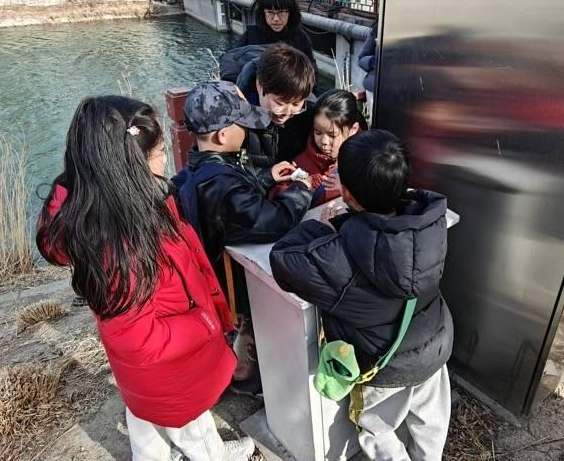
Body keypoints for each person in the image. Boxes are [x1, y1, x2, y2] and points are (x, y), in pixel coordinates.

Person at [36, 95, 255, 461]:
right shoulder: (125, 245)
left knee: (143, 412)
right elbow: (141, 339)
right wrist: (203, 321)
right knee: (193, 424)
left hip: (145, 372)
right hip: (173, 359)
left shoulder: (104, 212)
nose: (165, 160)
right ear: (129, 168)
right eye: (159, 153)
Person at [270, 130, 454, 460]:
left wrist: (324, 229)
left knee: (375, 428)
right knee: (431, 421)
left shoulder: (339, 256)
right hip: (434, 345)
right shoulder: (430, 222)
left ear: (347, 194)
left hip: (386, 364)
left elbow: (283, 259)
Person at [172, 80, 313, 394]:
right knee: (250, 327)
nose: (249, 131)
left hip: (207, 271)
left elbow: (231, 197)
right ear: (223, 135)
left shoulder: (195, 167)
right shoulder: (222, 185)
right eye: (243, 125)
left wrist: (264, 177)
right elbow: (273, 220)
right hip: (230, 283)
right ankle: (245, 380)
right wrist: (300, 192)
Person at [272, 89, 367, 207]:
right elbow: (277, 201)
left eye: (332, 135)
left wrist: (347, 189)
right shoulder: (299, 165)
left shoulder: (368, 160)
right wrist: (301, 189)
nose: (324, 142)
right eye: (318, 132)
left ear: (353, 129)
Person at [235, 44, 316, 169]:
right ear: (260, 86)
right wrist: (268, 176)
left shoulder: (311, 111)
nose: (287, 112)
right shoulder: (236, 115)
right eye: (280, 103)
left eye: (296, 104)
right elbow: (235, 163)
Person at [235, 0, 316, 67]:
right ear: (263, 12)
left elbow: (312, 71)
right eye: (270, 12)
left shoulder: (301, 39)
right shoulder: (251, 36)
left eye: (281, 12)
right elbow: (232, 62)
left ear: (290, 12)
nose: (276, 19)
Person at [358, 25, 378, 124]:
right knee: (374, 121)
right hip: (374, 87)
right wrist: (375, 61)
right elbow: (361, 59)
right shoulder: (377, 30)